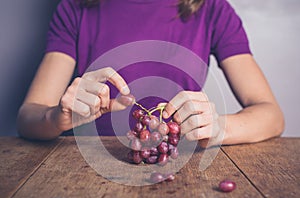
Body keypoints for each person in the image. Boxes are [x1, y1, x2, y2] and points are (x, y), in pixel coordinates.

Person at [17, 0, 284, 147]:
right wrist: (57, 117)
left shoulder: (213, 9)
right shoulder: (74, 8)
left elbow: (271, 115)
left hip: (180, 167)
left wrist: (219, 128)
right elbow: (28, 116)